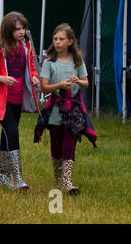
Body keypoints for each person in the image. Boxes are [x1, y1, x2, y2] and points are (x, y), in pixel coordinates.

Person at [0, 11, 40, 190]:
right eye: (17, 29)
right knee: (12, 133)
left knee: (6, 136)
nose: (21, 32)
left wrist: (34, 77)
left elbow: (31, 67)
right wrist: (1, 78)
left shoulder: (25, 46)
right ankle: (18, 177)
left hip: (17, 98)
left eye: (23, 28)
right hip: (1, 100)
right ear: (8, 30)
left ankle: (3, 177)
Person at [36, 23, 97, 195]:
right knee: (56, 147)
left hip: (73, 111)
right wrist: (59, 85)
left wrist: (77, 81)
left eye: (61, 39)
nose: (57, 42)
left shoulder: (78, 61)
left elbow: (86, 83)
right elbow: (44, 88)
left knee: (69, 145)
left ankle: (67, 181)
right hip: (55, 110)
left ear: (70, 41)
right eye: (55, 39)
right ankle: (59, 178)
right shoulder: (49, 62)